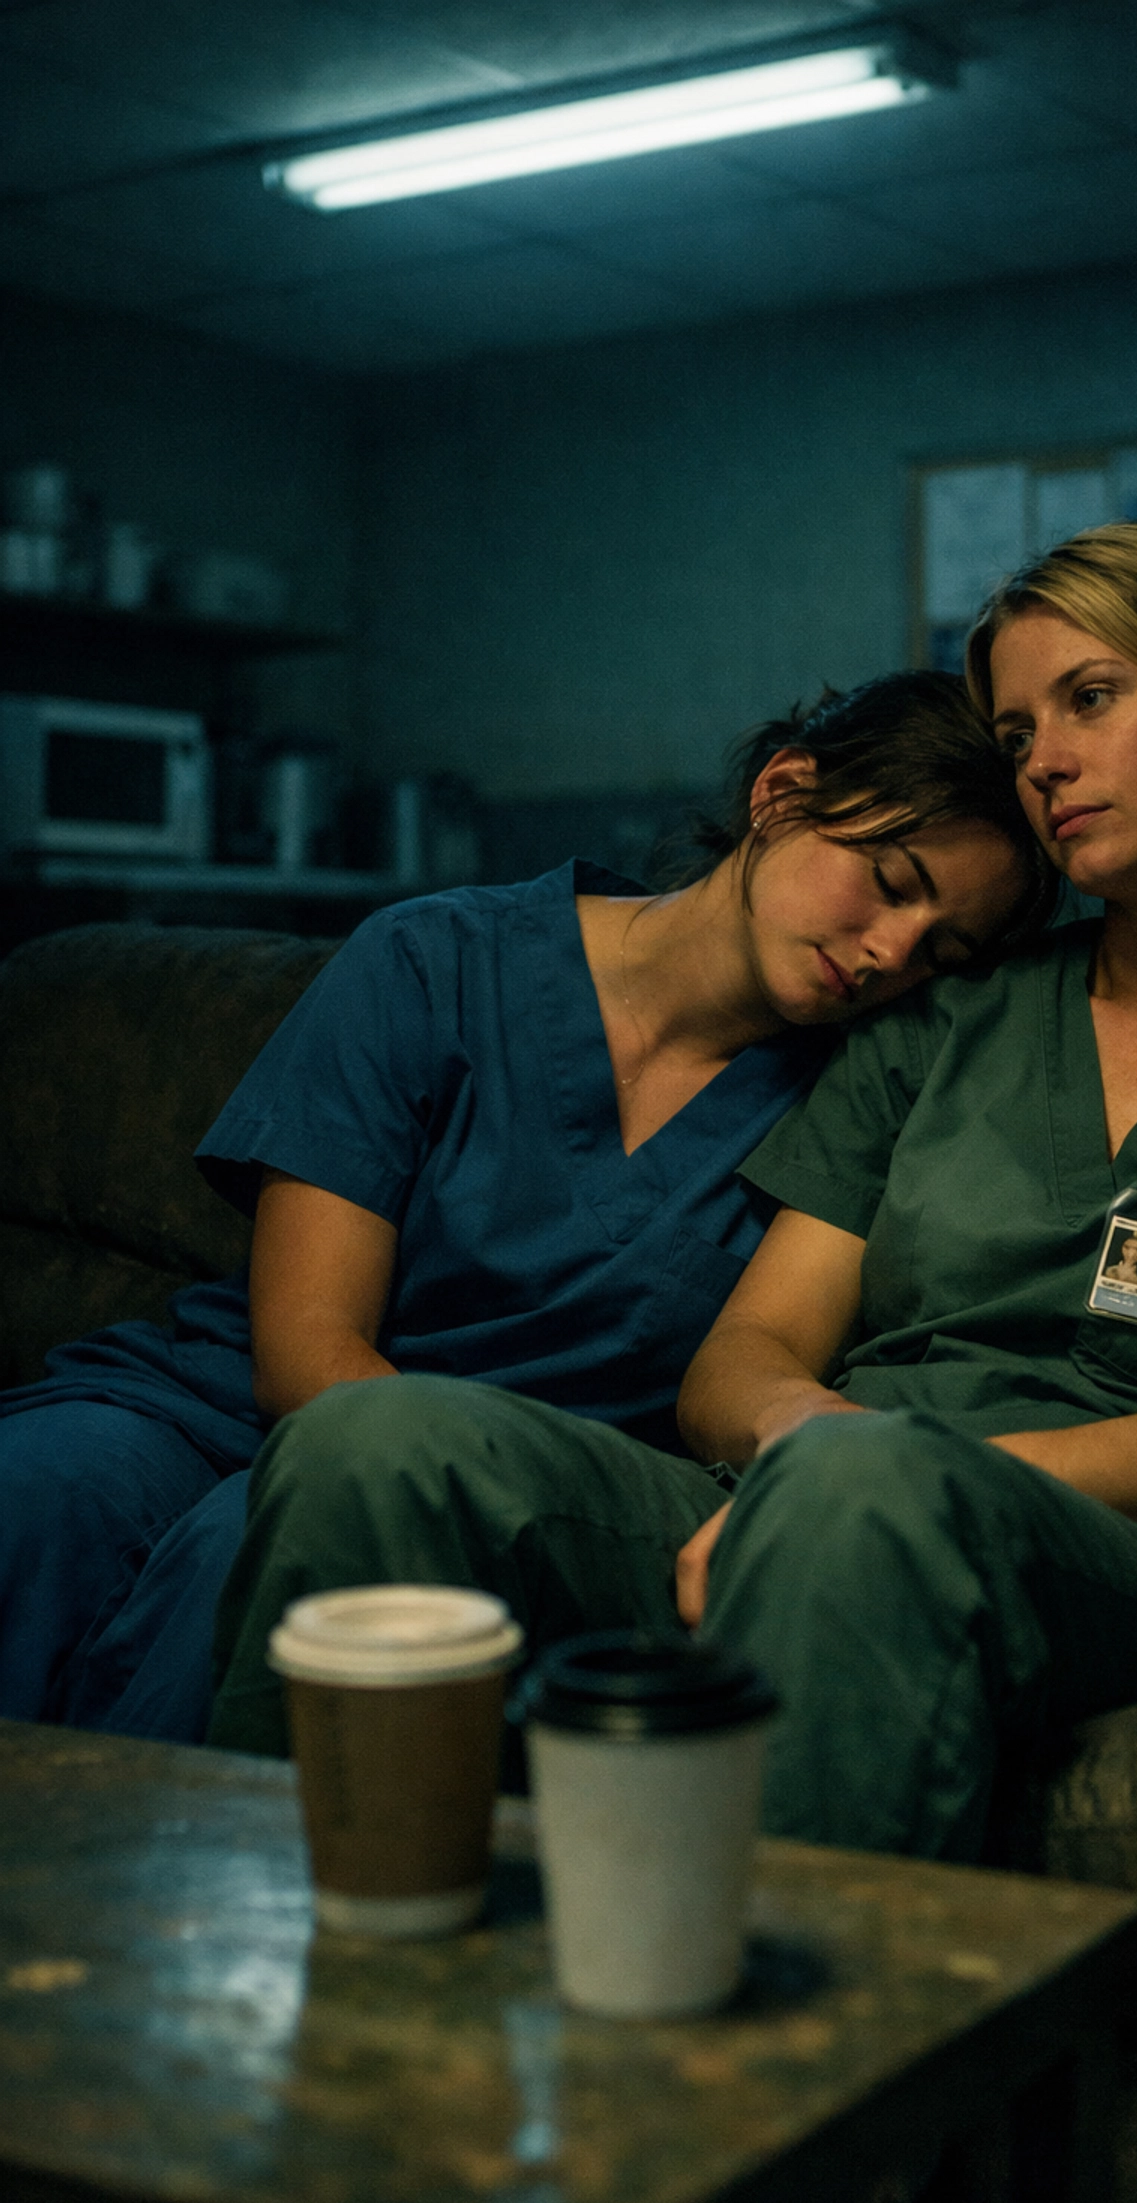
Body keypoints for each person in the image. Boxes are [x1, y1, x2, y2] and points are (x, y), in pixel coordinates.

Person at [210, 526, 1137, 1868]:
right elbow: (745, 1358)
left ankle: (767, 2071)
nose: (1046, 765)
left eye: (1090, 699)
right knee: (381, 1447)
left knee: (871, 1493)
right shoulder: (945, 1017)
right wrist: (807, 1444)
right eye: (1016, 736)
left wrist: (894, 1474)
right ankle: (312, 1994)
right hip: (825, 1489)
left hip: (1133, 1560)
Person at [0, 670, 1037, 1744]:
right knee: (36, 1493)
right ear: (781, 795)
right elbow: (304, 1349)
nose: (890, 954)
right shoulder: (433, 960)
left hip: (452, 1498)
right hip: (219, 1411)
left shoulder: (849, 1110)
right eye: (889, 879)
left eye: (943, 948)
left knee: (242, 1573)